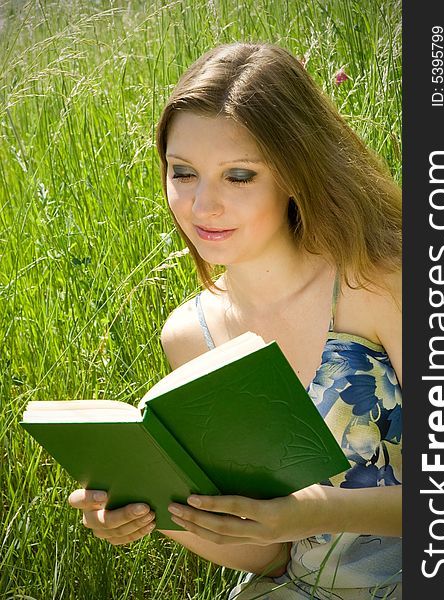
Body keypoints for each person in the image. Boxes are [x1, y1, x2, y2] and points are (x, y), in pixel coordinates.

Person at [69, 42, 402, 599]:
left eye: (239, 176)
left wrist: (309, 513)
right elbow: (267, 555)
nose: (202, 207)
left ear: (297, 174)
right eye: (183, 173)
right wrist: (151, 509)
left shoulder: (380, 283)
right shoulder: (188, 335)